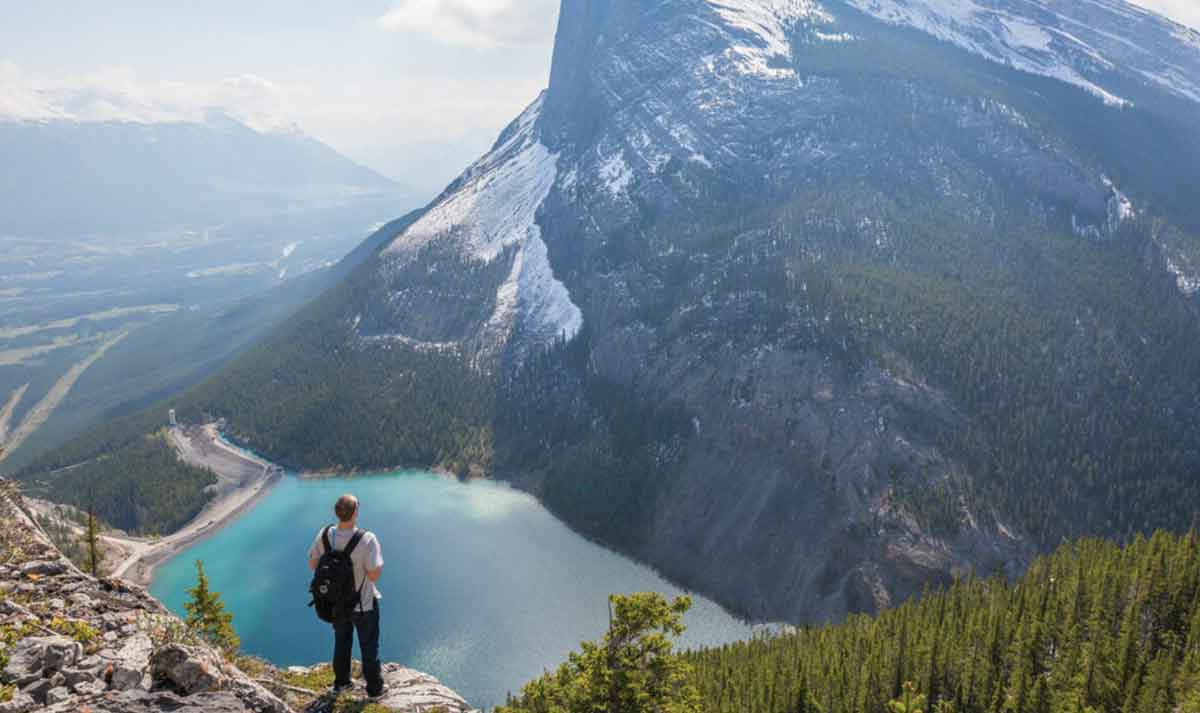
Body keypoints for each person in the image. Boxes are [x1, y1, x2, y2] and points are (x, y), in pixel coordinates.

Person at [307, 494, 386, 697]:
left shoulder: (325, 534)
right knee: (368, 645)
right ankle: (375, 689)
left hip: (337, 603)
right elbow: (374, 574)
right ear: (355, 513)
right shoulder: (367, 539)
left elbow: (313, 564)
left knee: (342, 641)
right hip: (363, 604)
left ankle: (341, 683)